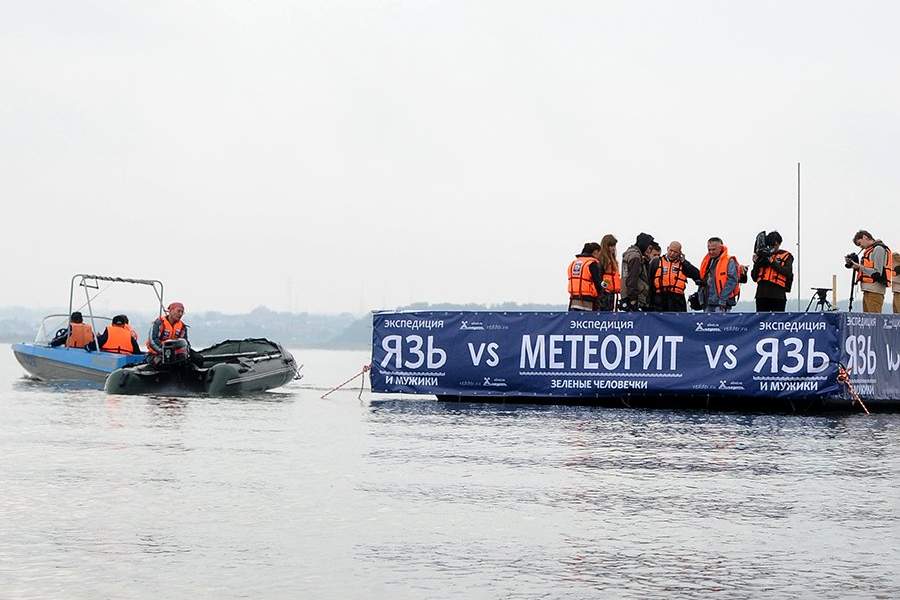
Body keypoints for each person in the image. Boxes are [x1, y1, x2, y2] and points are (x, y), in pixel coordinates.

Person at [649, 241, 702, 312]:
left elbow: (697, 275)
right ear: (667, 248)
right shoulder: (657, 261)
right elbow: (649, 280)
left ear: (680, 253)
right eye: (671, 250)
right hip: (659, 300)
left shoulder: (683, 264)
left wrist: (684, 262)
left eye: (675, 252)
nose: (672, 253)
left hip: (677, 301)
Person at [849, 230, 893, 313]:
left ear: (865, 237)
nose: (861, 247)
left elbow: (877, 273)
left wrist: (859, 266)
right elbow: (868, 271)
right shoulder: (871, 250)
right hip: (868, 291)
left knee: (874, 319)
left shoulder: (879, 249)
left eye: (859, 243)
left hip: (875, 292)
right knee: (868, 319)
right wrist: (856, 267)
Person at [751, 231, 794, 312]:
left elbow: (787, 272)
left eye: (774, 245)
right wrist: (756, 263)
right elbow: (754, 277)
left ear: (779, 244)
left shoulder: (787, 256)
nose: (772, 247)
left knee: (777, 319)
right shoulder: (762, 256)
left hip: (778, 296)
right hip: (761, 295)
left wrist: (771, 261)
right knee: (761, 319)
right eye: (770, 245)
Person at [699, 237, 741, 313]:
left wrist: (723, 299)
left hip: (722, 304)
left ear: (720, 248)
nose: (711, 252)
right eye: (709, 250)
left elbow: (732, 281)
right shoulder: (707, 261)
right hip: (708, 303)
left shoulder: (729, 260)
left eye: (713, 249)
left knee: (722, 321)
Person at [621, 233, 656, 311]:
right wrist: (633, 299)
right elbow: (632, 279)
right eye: (649, 248)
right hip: (635, 298)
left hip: (627, 296)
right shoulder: (636, 257)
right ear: (644, 245)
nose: (649, 250)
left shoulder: (630, 254)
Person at [567, 243, 604, 311]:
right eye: (600, 253)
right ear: (595, 252)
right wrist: (601, 294)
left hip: (573, 300)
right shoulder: (592, 264)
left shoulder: (573, 263)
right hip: (588, 301)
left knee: (574, 317)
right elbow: (597, 282)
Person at [596, 234, 621, 311]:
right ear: (606, 246)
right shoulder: (601, 260)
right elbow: (598, 278)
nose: (613, 248)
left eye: (614, 246)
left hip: (612, 294)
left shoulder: (613, 260)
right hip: (604, 295)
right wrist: (604, 288)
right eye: (611, 246)